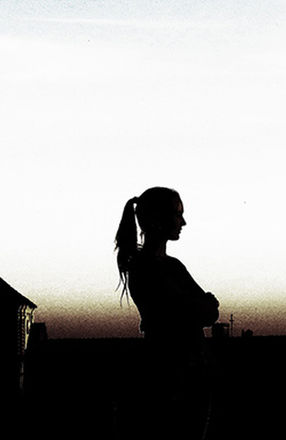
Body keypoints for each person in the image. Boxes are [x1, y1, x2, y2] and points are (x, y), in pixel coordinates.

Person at [114, 187, 219, 440]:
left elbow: (204, 311)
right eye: (177, 214)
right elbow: (201, 312)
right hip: (172, 376)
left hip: (187, 373)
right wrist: (203, 304)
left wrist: (202, 307)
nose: (183, 222)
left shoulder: (169, 266)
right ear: (156, 219)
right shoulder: (149, 268)